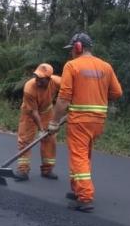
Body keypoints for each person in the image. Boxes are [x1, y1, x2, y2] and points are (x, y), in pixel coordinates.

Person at [48, 32, 122, 212]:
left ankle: (85, 197)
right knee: (83, 155)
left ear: (78, 47)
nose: (70, 53)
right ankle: (77, 188)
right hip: (98, 121)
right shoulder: (106, 66)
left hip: (80, 120)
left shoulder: (72, 66)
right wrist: (98, 95)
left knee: (78, 156)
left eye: (71, 49)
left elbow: (64, 98)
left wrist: (54, 122)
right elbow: (117, 93)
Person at [13, 63, 62, 181]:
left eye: (41, 79)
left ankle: (47, 169)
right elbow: (34, 112)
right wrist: (41, 129)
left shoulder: (57, 81)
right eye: (36, 77)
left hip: (47, 111)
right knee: (25, 140)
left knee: (50, 139)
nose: (38, 81)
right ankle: (23, 170)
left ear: (49, 79)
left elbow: (70, 90)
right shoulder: (29, 88)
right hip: (29, 113)